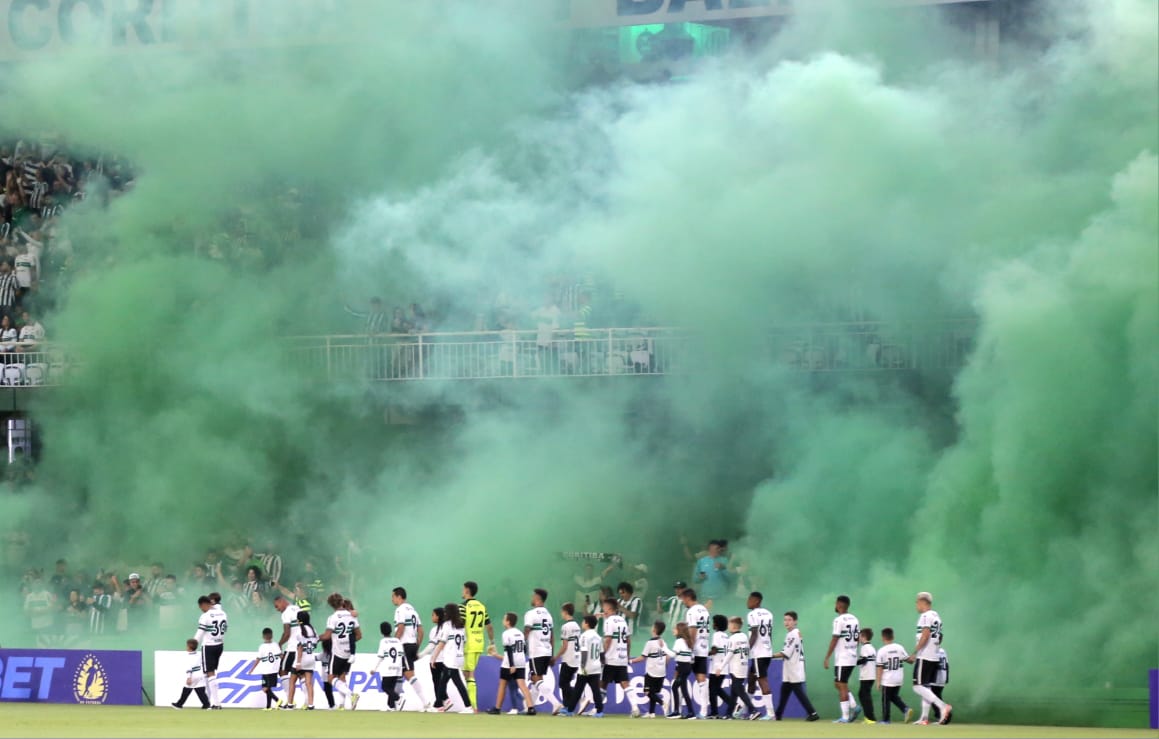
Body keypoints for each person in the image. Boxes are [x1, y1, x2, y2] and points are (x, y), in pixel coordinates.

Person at [908, 591, 952, 725]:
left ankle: (943, 706)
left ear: (922, 602)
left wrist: (915, 652)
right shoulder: (937, 616)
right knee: (926, 686)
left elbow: (925, 635)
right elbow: (940, 637)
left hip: (925, 655)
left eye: (917, 602)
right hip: (934, 655)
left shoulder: (925, 616)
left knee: (917, 686)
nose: (916, 605)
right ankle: (924, 718)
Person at [772, 611, 819, 721]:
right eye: (785, 620)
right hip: (791, 667)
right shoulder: (794, 633)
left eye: (789, 620)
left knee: (797, 691)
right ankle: (778, 715)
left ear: (795, 622)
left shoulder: (793, 634)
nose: (786, 622)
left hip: (794, 667)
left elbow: (786, 653)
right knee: (785, 691)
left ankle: (813, 713)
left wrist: (770, 656)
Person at [822, 594, 860, 723]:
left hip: (843, 657)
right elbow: (857, 638)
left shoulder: (839, 620)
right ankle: (854, 706)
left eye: (836, 603)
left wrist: (827, 657)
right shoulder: (855, 619)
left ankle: (845, 716)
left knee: (842, 685)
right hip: (852, 656)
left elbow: (835, 639)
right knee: (838, 683)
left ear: (839, 604)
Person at [391, 587, 431, 710]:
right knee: (399, 673)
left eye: (393, 596)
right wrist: (416, 645)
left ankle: (426, 702)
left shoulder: (400, 610)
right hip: (412, 644)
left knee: (409, 675)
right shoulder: (413, 610)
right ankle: (393, 704)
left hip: (404, 645)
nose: (391, 599)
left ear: (399, 596)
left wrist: (394, 643)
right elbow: (421, 631)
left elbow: (401, 628)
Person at [488, 612, 535, 715]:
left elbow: (509, 649)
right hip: (521, 661)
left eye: (504, 619)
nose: (503, 621)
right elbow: (524, 649)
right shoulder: (520, 633)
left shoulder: (506, 634)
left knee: (502, 684)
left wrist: (512, 664)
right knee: (522, 685)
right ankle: (531, 707)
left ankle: (497, 708)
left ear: (508, 622)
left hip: (509, 663)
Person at [320, 592, 361, 710]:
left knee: (331, 678)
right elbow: (359, 635)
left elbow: (327, 636)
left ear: (331, 605)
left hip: (338, 653)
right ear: (342, 602)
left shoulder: (332, 618)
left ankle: (351, 695)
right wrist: (349, 643)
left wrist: (316, 638)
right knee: (342, 677)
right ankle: (342, 705)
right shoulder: (352, 616)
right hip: (349, 652)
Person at [600, 598, 641, 717]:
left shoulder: (609, 621)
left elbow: (607, 640)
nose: (603, 610)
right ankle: (635, 708)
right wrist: (627, 656)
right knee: (625, 683)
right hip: (622, 657)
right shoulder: (623, 621)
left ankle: (598, 709)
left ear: (609, 608)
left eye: (604, 608)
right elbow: (628, 641)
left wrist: (602, 654)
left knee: (603, 683)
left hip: (610, 658)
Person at [431, 602, 473, 713]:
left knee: (454, 683)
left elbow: (441, 643)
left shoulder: (447, 625)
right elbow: (464, 642)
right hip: (459, 657)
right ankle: (439, 706)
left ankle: (468, 707)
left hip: (451, 658)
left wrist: (433, 658)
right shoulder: (461, 626)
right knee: (443, 682)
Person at [522, 588, 559, 713]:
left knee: (536, 679)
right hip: (547, 650)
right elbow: (552, 636)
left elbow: (527, 629)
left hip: (536, 651)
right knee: (536, 678)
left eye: (533, 597)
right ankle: (529, 707)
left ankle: (556, 703)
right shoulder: (549, 615)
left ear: (538, 598)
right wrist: (552, 654)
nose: (532, 599)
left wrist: (522, 644)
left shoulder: (531, 614)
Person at [461, 581, 494, 709]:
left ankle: (473, 706)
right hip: (479, 643)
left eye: (463, 589)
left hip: (468, 644)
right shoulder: (481, 606)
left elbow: (462, 625)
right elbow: (489, 627)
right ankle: (470, 704)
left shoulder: (464, 606)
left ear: (467, 590)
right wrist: (492, 642)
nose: (462, 592)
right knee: (468, 673)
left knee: (469, 674)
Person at [630, 620, 672, 718]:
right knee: (653, 692)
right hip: (661, 671)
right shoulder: (663, 642)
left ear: (654, 629)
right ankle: (651, 713)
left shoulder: (650, 643)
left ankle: (663, 703)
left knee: (647, 692)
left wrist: (631, 661)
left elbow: (642, 657)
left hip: (651, 671)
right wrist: (664, 667)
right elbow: (668, 657)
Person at [193, 594, 227, 709]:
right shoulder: (223, 613)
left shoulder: (205, 616)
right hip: (220, 644)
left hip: (209, 645)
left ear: (203, 604)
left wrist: (193, 644)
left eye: (201, 607)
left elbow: (200, 633)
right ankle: (209, 701)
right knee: (209, 673)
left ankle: (216, 703)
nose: (201, 610)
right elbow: (225, 628)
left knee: (210, 673)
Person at [681, 588, 711, 718]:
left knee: (681, 678)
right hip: (704, 647)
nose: (682, 601)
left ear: (688, 598)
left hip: (694, 648)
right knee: (701, 678)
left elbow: (692, 630)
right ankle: (704, 710)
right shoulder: (704, 610)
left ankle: (679, 709)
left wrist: (690, 646)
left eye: (683, 598)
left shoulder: (691, 611)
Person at [566, 615, 604, 717]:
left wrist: (582, 666)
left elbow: (584, 651)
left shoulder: (584, 636)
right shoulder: (598, 636)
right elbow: (601, 653)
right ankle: (599, 711)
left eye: (583, 621)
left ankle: (569, 710)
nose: (582, 623)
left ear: (587, 623)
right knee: (596, 690)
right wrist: (602, 665)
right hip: (596, 666)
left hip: (586, 667)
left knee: (578, 689)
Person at [746, 591, 775, 720]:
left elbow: (754, 634)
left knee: (762, 680)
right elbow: (769, 634)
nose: (748, 601)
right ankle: (746, 709)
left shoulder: (752, 614)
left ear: (757, 601)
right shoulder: (769, 614)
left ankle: (770, 713)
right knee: (751, 677)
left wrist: (746, 650)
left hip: (758, 652)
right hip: (767, 651)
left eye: (750, 599)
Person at [875, 627, 912, 724]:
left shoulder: (881, 651)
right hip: (898, 678)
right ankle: (905, 709)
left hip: (888, 679)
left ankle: (886, 719)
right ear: (893, 636)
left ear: (883, 637)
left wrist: (878, 681)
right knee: (893, 696)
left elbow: (879, 667)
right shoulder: (899, 647)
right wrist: (914, 657)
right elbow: (909, 660)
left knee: (885, 699)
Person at [726, 616, 758, 720]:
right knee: (734, 691)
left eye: (729, 624)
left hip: (735, 667)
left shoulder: (732, 638)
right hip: (743, 665)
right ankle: (729, 713)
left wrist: (721, 666)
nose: (728, 626)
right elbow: (748, 649)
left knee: (739, 690)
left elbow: (729, 654)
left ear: (734, 625)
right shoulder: (744, 636)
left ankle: (753, 710)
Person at [370, 621, 407, 711]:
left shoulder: (383, 641)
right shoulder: (397, 641)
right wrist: (402, 668)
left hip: (388, 668)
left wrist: (374, 668)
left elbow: (380, 656)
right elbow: (402, 655)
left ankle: (398, 699)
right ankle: (391, 706)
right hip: (397, 668)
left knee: (385, 687)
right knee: (391, 687)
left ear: (381, 631)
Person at [552, 602, 581, 715]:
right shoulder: (577, 626)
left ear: (565, 612)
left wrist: (556, 657)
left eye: (562, 612)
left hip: (568, 658)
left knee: (563, 683)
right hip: (576, 657)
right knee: (566, 683)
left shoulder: (565, 627)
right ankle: (567, 707)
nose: (561, 614)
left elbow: (565, 646)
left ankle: (574, 700)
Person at [273, 595, 301, 702]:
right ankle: (308, 703)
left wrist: (279, 644)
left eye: (277, 606)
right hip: (302, 647)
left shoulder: (286, 614)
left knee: (282, 671)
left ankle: (290, 699)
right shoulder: (299, 609)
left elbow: (287, 633)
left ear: (282, 601)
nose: (277, 609)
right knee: (302, 675)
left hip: (292, 648)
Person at [289, 610, 320, 710]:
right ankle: (311, 704)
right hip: (311, 658)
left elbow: (300, 647)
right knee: (309, 683)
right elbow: (316, 642)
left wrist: (298, 662)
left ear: (299, 620)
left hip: (301, 659)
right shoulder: (313, 629)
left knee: (292, 681)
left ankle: (290, 704)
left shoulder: (299, 631)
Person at [418, 607, 446, 712]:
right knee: (442, 682)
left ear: (438, 617)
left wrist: (420, 655)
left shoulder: (435, 630)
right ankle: (441, 702)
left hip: (436, 659)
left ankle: (440, 703)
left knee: (437, 682)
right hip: (446, 659)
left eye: (433, 615)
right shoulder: (448, 628)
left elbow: (431, 646)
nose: (432, 617)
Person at [249, 627, 283, 710]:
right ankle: (268, 706)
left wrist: (252, 669)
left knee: (265, 688)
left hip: (267, 670)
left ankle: (278, 700)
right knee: (268, 688)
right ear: (271, 635)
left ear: (263, 636)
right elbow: (281, 656)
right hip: (272, 670)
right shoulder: (275, 645)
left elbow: (258, 659)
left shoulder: (262, 647)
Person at [171, 639, 210, 709]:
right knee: (200, 690)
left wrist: (189, 677)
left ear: (189, 647)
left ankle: (179, 704)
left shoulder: (188, 657)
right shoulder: (200, 654)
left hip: (193, 674)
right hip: (201, 674)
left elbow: (189, 668)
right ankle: (206, 705)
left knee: (186, 689)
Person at [668, 621, 695, 719]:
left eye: (675, 629)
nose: (673, 630)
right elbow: (692, 658)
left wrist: (663, 647)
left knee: (675, 687)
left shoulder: (679, 641)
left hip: (683, 668)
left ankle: (677, 712)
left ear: (679, 630)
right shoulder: (688, 641)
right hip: (686, 667)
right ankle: (691, 713)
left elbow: (672, 655)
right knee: (684, 690)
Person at [707, 614, 730, 718]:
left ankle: (714, 713)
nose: (712, 624)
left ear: (716, 625)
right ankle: (734, 704)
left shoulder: (716, 635)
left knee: (712, 689)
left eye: (713, 622)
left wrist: (705, 653)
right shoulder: (726, 636)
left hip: (716, 666)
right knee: (717, 689)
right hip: (724, 666)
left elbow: (715, 650)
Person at [856, 628, 877, 724]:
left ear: (863, 637)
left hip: (866, 675)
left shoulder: (864, 648)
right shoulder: (872, 648)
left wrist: (854, 662)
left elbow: (864, 660)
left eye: (859, 636)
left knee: (864, 696)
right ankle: (869, 717)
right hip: (871, 675)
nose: (858, 638)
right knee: (863, 695)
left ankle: (870, 718)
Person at [931, 647, 951, 723]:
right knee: (937, 696)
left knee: (932, 697)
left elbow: (933, 664)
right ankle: (943, 717)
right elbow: (947, 664)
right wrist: (946, 677)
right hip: (943, 676)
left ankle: (942, 716)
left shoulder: (932, 650)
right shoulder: (943, 650)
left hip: (935, 677)